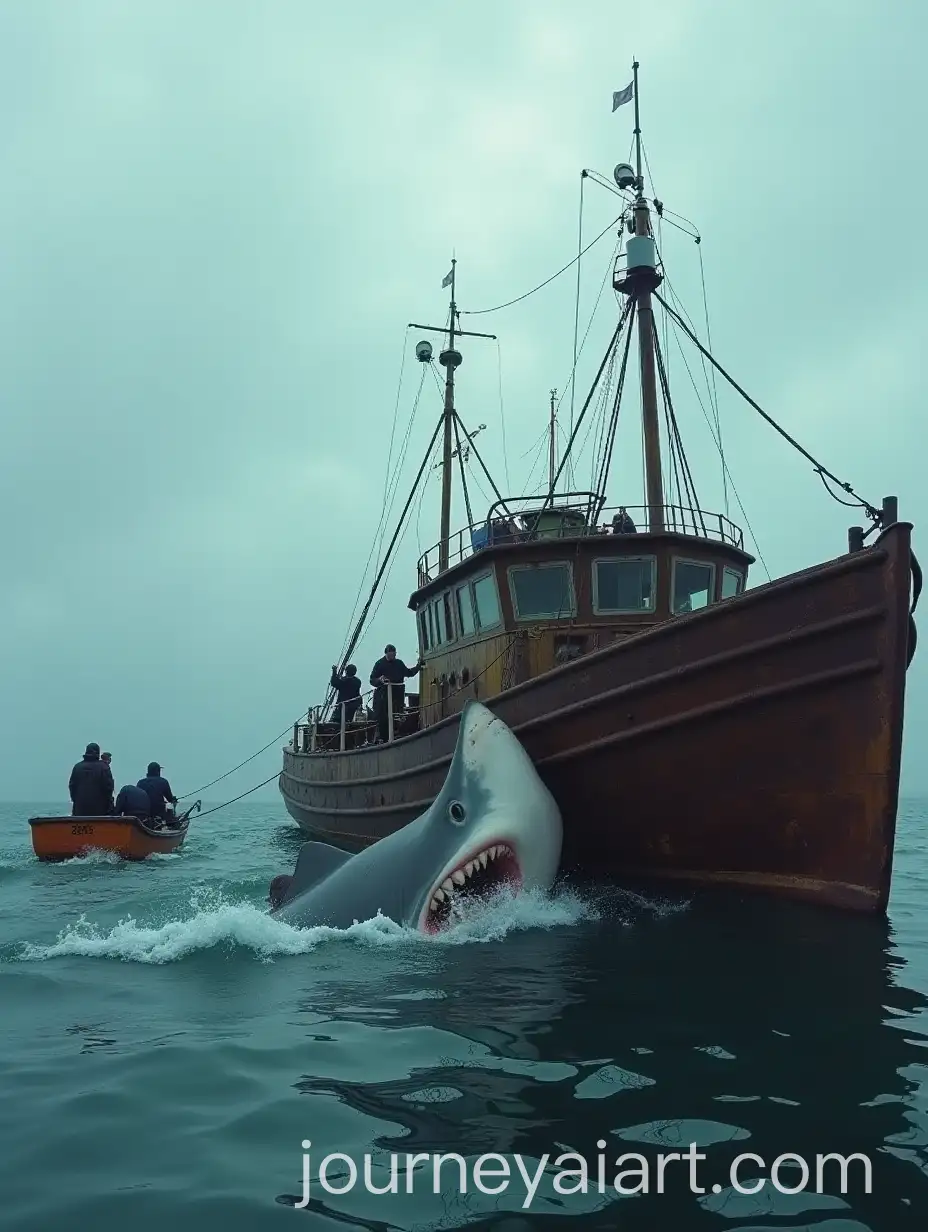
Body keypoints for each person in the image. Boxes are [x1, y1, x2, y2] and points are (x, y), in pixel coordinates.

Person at [369, 644, 423, 743]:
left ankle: (397, 733)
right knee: (383, 717)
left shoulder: (399, 663)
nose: (392, 656)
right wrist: (380, 680)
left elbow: (408, 673)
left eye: (394, 654)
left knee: (396, 715)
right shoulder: (379, 664)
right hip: (383, 695)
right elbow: (372, 680)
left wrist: (418, 667)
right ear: (386, 653)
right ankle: (384, 738)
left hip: (397, 694)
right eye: (390, 654)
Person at [68, 742, 115, 817]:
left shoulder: (77, 767)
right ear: (98, 753)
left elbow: (72, 787)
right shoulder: (104, 767)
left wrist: (77, 801)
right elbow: (109, 788)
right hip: (100, 812)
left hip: (79, 811)